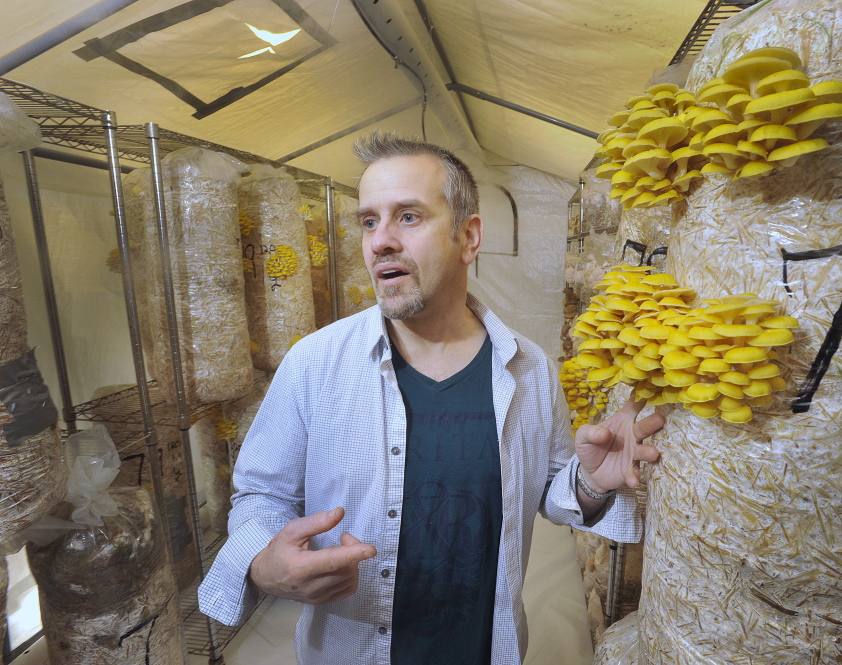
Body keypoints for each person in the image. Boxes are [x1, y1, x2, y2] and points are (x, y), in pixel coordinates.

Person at [198, 133, 663, 665]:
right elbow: (259, 495)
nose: (380, 242)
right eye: (369, 221)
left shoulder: (528, 368)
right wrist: (260, 562)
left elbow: (551, 496)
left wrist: (591, 484)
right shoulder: (314, 364)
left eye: (409, 217)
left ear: (468, 237)